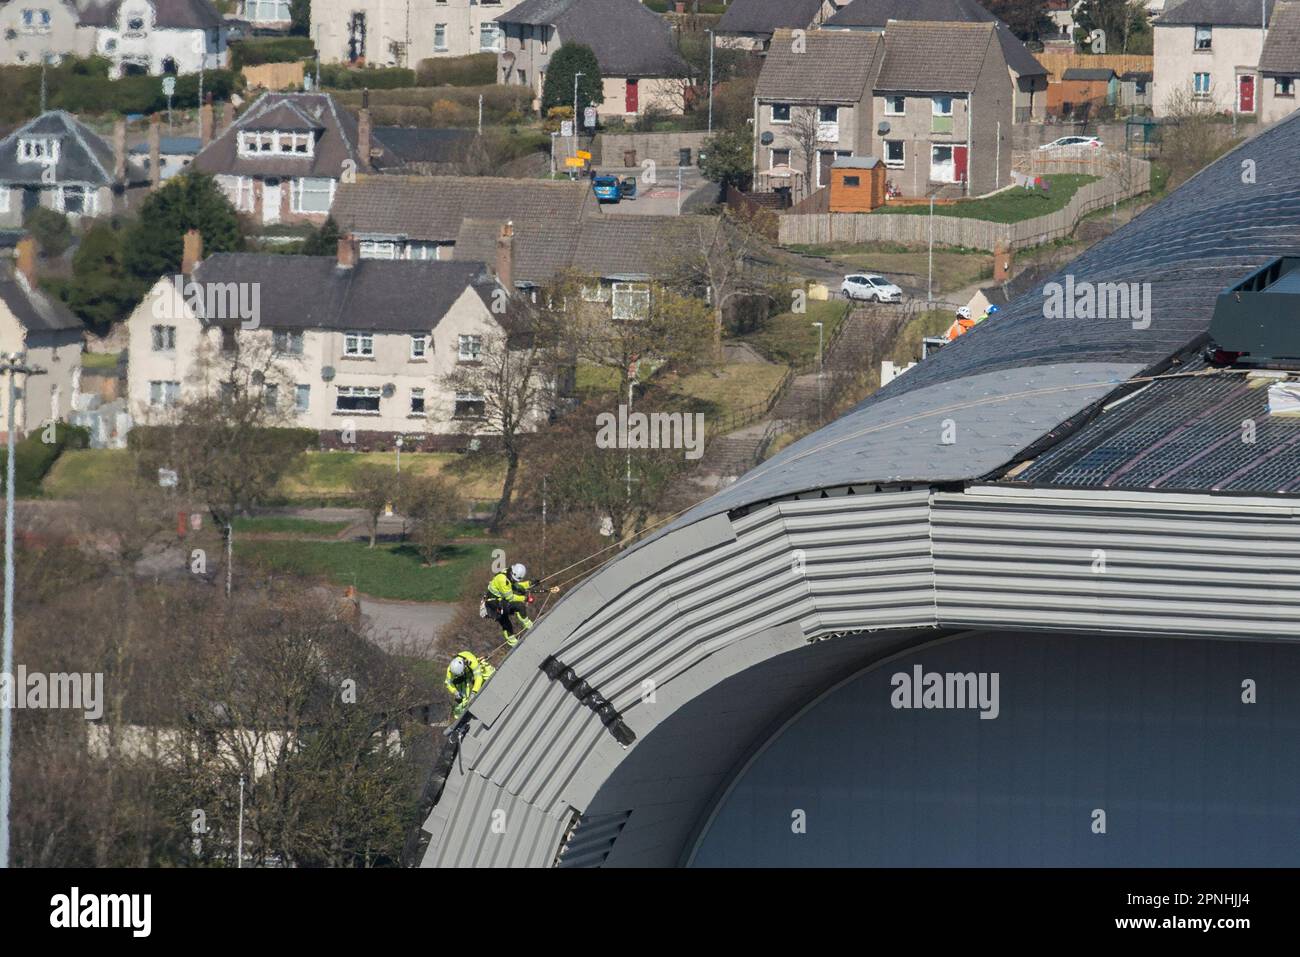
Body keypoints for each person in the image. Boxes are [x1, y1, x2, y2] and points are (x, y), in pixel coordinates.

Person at [484, 563, 535, 647]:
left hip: (498, 601)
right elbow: (510, 597)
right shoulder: (503, 580)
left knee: (509, 616)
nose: (514, 581)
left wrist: (529, 583)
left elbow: (516, 585)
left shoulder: (508, 574)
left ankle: (526, 625)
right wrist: (525, 599)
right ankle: (513, 639)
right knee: (510, 614)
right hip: (493, 604)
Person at [446, 651, 495, 719]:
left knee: (486, 670)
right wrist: (455, 692)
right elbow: (448, 683)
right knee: (465, 698)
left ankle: (495, 682)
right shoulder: (450, 670)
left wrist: (474, 692)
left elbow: (478, 677)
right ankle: (462, 713)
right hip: (464, 677)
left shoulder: (471, 660)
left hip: (474, 670)